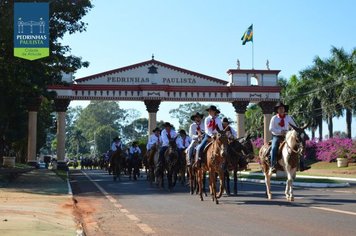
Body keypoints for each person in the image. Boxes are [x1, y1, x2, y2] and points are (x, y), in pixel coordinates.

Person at [269, 102, 296, 172]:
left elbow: (294, 126)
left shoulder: (288, 117)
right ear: (277, 110)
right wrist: (280, 131)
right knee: (274, 148)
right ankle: (273, 165)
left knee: (298, 146)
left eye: (282, 108)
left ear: (284, 109)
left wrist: (291, 132)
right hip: (277, 136)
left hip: (287, 137)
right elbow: (271, 128)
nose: (281, 109)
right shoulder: (274, 118)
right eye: (279, 108)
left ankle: (301, 164)